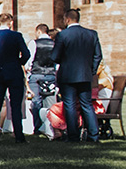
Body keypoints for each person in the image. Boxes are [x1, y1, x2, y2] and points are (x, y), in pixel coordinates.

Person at [53, 8, 104, 143]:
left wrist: (62, 60)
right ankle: (94, 136)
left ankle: (73, 136)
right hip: (85, 75)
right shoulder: (92, 34)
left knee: (69, 105)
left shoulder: (63, 35)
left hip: (68, 75)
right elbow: (98, 56)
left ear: (67, 19)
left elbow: (55, 56)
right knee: (87, 104)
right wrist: (91, 70)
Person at [0, 14, 30, 143]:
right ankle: (19, 136)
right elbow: (26, 54)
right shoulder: (16, 36)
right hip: (14, 71)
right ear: (10, 23)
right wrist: (19, 62)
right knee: (15, 105)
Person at [28, 24, 58, 139]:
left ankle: (37, 127)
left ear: (38, 31)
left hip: (36, 74)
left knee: (36, 101)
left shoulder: (34, 43)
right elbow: (56, 62)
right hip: (50, 75)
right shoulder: (54, 44)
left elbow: (30, 60)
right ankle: (50, 126)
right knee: (50, 102)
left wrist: (28, 70)